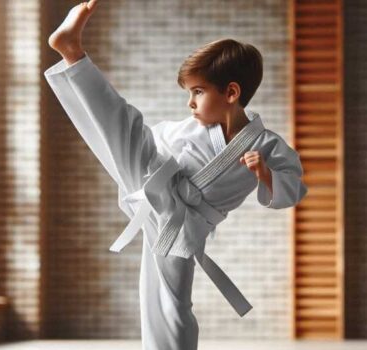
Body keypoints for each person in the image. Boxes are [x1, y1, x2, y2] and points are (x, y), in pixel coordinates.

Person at [44, 1, 308, 349]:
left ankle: (73, 55)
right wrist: (145, 163)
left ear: (231, 93)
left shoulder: (267, 143)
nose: (190, 103)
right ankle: (73, 54)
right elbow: (154, 141)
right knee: (126, 129)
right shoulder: (189, 128)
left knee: (170, 301)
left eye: (198, 92)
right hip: (160, 188)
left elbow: (295, 186)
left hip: (185, 224)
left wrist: (266, 174)